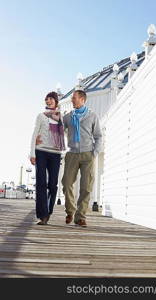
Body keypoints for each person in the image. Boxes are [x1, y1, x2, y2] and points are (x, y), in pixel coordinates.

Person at [62, 90, 102, 227]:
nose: (72, 100)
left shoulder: (92, 116)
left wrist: (95, 152)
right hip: (72, 153)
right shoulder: (67, 117)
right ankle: (70, 211)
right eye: (72, 98)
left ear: (82, 99)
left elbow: (98, 136)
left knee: (86, 187)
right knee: (67, 183)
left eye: (74, 98)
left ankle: (80, 217)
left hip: (88, 154)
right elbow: (58, 131)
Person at [29, 91, 65, 225]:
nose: (48, 101)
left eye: (51, 99)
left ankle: (48, 210)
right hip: (41, 152)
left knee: (53, 184)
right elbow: (34, 134)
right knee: (41, 183)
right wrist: (32, 153)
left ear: (56, 101)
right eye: (46, 99)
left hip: (55, 153)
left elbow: (67, 132)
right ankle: (42, 215)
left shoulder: (61, 118)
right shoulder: (41, 116)